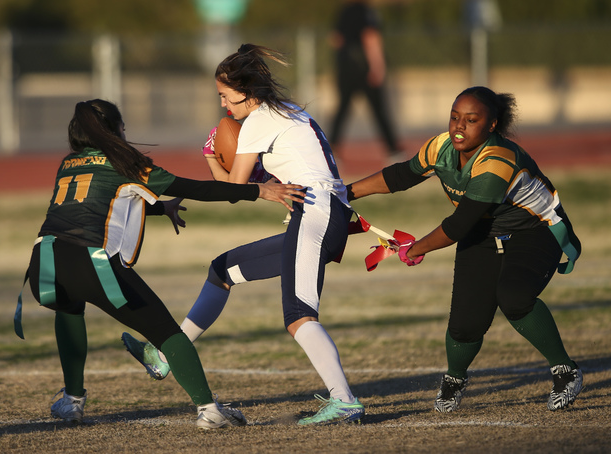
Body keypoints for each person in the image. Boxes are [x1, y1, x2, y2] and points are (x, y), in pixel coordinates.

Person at [17, 99, 305, 428]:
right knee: (167, 333)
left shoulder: (69, 163)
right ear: (113, 131)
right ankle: (208, 410)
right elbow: (195, 188)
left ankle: (72, 401)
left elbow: (94, 199)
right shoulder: (124, 162)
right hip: (89, 261)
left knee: (68, 308)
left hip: (43, 263)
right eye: (122, 127)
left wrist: (159, 209)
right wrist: (258, 191)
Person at [122, 44, 365, 426]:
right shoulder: (287, 112)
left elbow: (235, 189)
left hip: (316, 214)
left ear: (247, 92)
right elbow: (265, 183)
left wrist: (209, 156)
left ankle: (345, 401)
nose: (222, 105)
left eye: (224, 95)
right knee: (222, 270)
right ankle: (164, 357)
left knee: (299, 315)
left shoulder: (259, 121)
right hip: (321, 214)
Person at [345, 86, 583, 412]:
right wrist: (346, 194)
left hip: (533, 230)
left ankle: (565, 370)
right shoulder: (441, 145)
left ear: (492, 125)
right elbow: (401, 175)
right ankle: (455, 378)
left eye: (471, 120)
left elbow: (458, 225)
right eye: (455, 117)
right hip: (483, 232)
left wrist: (416, 249)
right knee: (465, 323)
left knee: (513, 296)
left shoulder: (497, 160)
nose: (459, 127)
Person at [329, 0, 402, 158]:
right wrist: (377, 66)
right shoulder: (366, 12)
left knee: (343, 109)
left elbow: (336, 40)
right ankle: (393, 149)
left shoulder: (344, 11)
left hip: (346, 68)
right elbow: (371, 37)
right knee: (379, 109)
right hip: (364, 68)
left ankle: (332, 149)